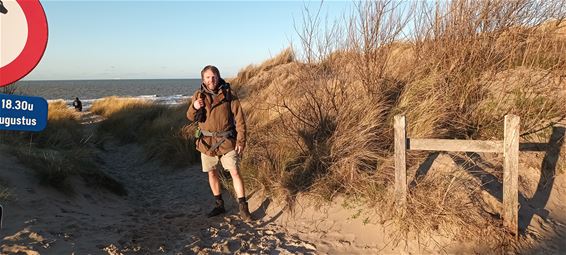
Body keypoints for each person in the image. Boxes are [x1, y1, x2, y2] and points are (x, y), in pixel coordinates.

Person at [186, 65, 252, 222]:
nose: (211, 79)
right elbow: (190, 116)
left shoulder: (229, 94)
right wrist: (195, 107)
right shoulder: (198, 95)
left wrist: (241, 140)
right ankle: (219, 204)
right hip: (207, 143)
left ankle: (243, 207)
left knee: (234, 172)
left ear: (219, 76)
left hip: (227, 141)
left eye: (214, 76)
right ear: (203, 79)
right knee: (212, 173)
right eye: (208, 77)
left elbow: (240, 120)